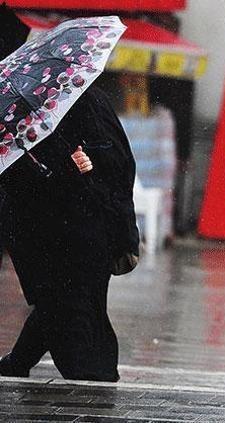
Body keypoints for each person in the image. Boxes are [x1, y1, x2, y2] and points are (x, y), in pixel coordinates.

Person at [0, 5, 139, 381]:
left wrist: (82, 165)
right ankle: (21, 363)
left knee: (72, 310)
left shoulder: (79, 105)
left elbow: (111, 162)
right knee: (67, 305)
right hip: (70, 231)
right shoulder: (64, 102)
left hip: (76, 230)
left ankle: (94, 376)